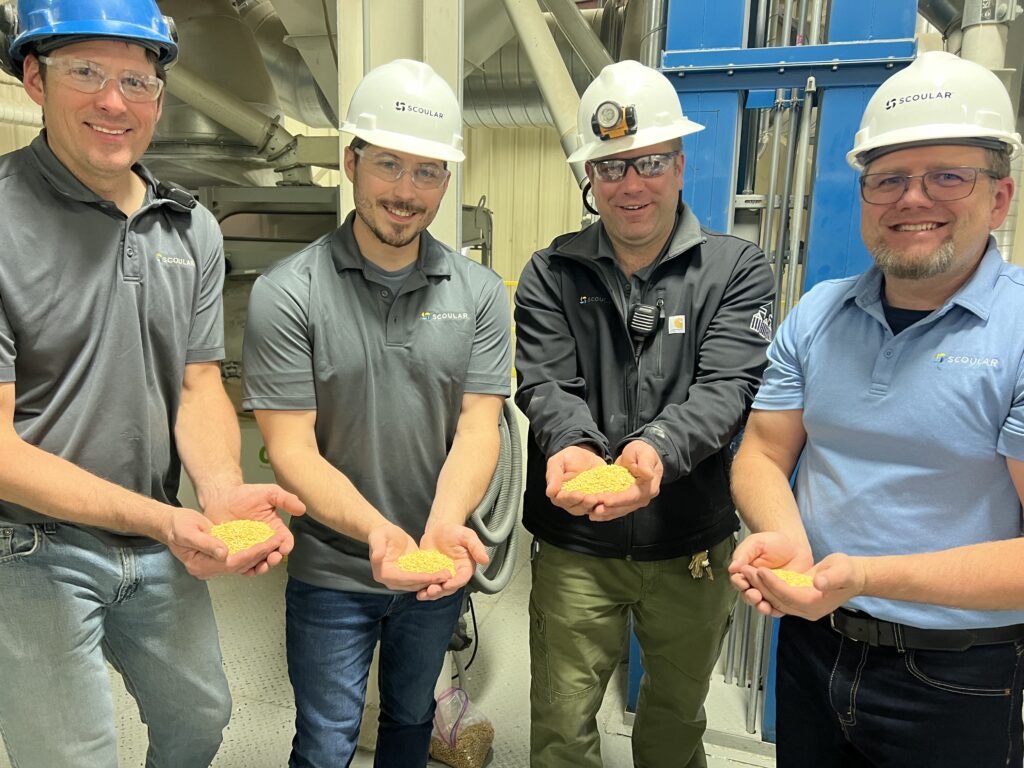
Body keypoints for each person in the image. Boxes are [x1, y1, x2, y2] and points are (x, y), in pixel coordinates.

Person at [0, 1, 306, 767]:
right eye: (87, 73)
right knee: (72, 757)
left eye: (137, 80)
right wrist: (164, 522)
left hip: (155, 538)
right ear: (35, 78)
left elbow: (198, 384)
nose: (114, 102)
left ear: (161, 97)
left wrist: (223, 490)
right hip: (27, 544)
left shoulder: (190, 227)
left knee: (201, 718)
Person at [728, 51, 1024, 767]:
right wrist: (787, 538)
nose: (912, 199)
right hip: (810, 645)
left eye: (947, 176)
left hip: (957, 674)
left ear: (1001, 197)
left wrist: (864, 575)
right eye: (888, 178)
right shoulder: (820, 312)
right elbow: (764, 454)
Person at [242, 58, 512, 768]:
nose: (406, 191)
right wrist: (376, 533)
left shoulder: (480, 293)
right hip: (333, 570)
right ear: (351, 162)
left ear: (446, 180)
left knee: (410, 724)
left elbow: (479, 426)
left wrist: (443, 527)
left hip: (434, 567)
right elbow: (292, 452)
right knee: (326, 742)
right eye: (388, 164)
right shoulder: (288, 293)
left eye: (427, 172)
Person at [513, 59, 776, 768]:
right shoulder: (551, 272)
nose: (630, 185)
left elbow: (727, 387)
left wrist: (655, 449)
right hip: (575, 549)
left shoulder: (736, 269)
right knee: (562, 728)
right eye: (610, 168)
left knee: (674, 722)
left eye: (649, 162)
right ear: (591, 180)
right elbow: (545, 382)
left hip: (689, 545)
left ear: (680, 164)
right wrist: (571, 444)